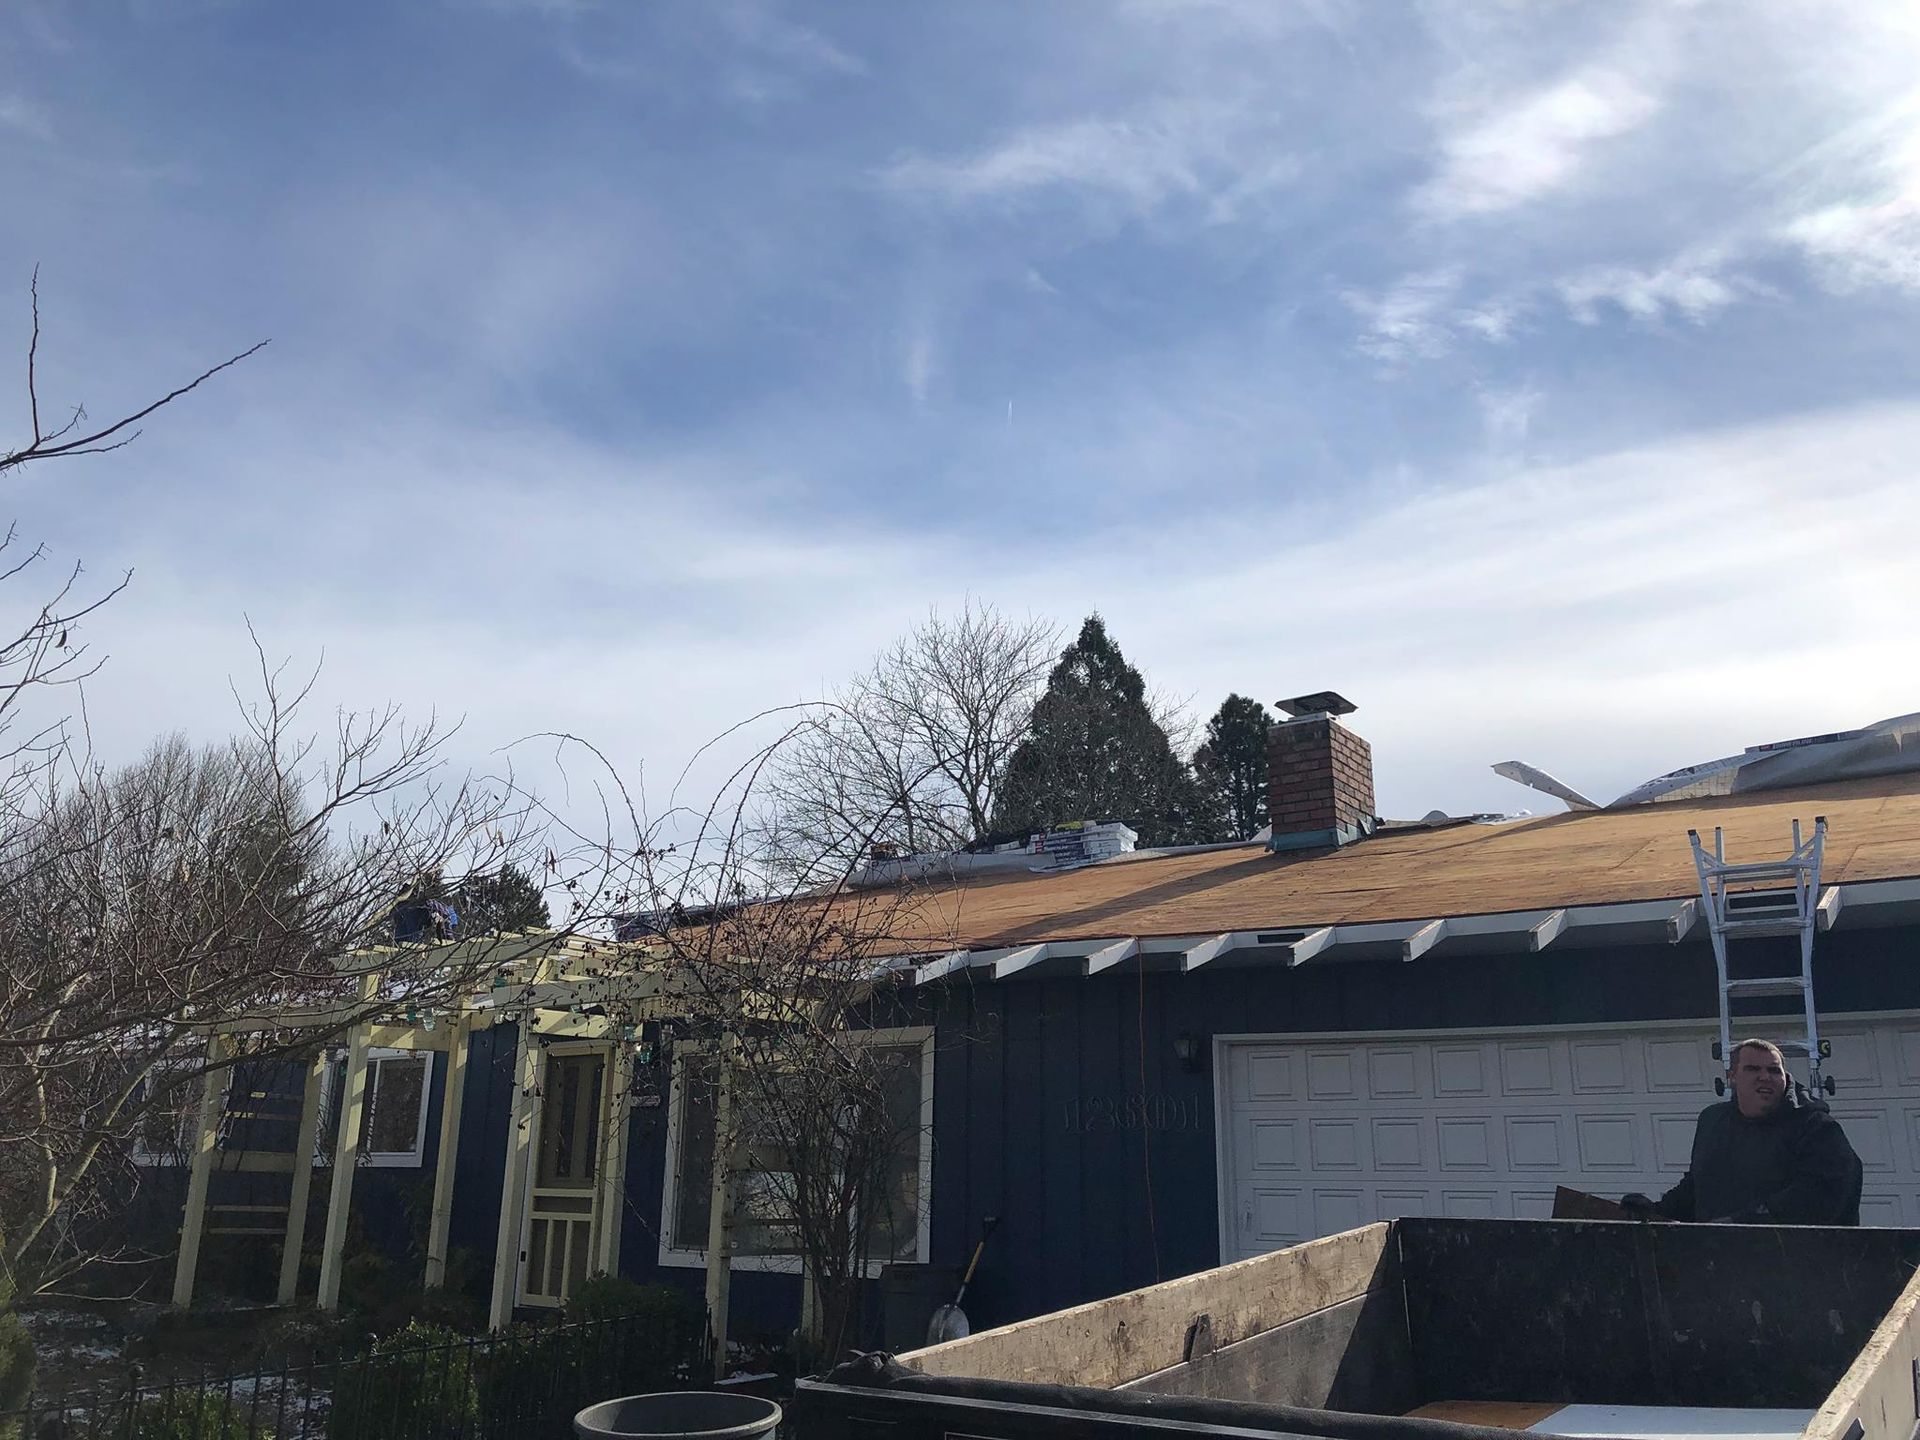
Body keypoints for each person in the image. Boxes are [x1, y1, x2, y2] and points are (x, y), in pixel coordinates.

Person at [1622, 1037, 1863, 1225]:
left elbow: (1821, 1197)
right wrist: (1655, 1212)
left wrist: (1743, 1223)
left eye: (1773, 1070)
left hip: (1799, 1270)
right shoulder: (1712, 1122)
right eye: (1752, 1069)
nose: (1764, 1077)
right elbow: (1697, 1186)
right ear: (1732, 1076)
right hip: (1717, 1265)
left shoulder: (1816, 1127)